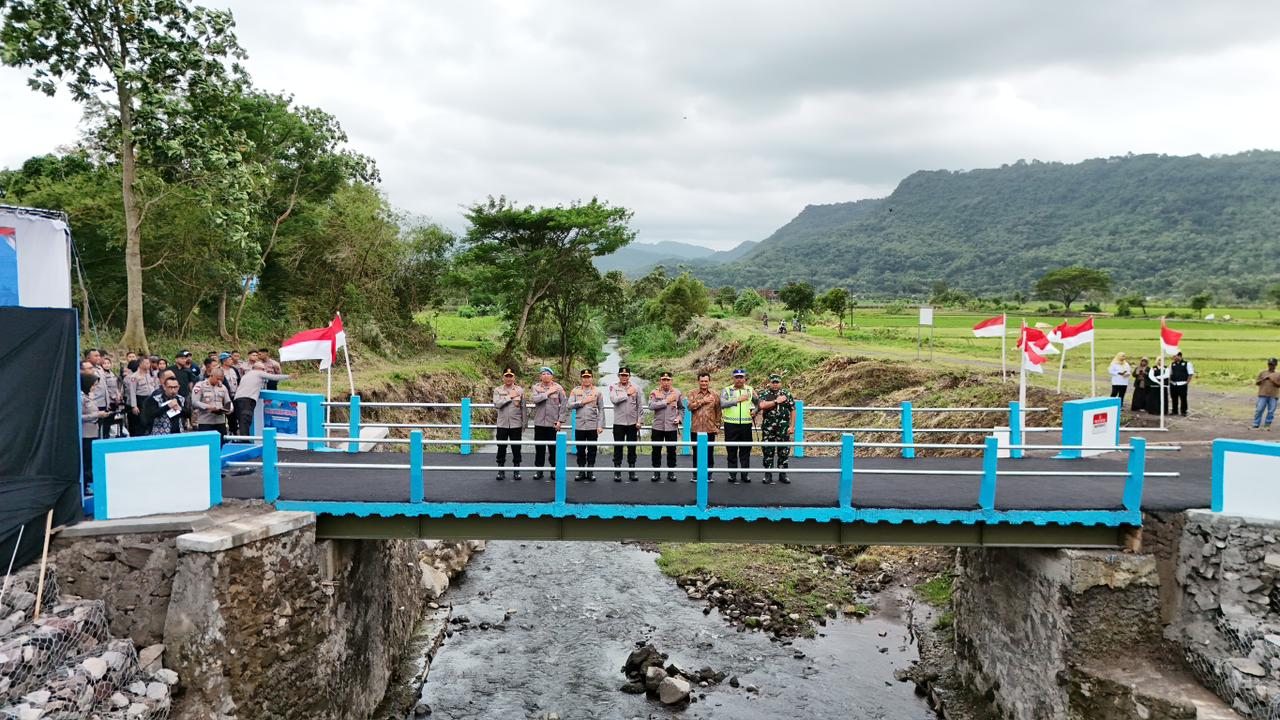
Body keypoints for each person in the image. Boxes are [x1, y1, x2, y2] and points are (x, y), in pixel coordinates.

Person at [564, 370, 604, 481]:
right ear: (581, 378)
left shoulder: (597, 392)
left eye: (588, 377)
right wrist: (583, 402)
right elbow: (569, 405)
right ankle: (581, 470)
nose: (586, 379)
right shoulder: (575, 391)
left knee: (592, 449)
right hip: (579, 425)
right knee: (580, 449)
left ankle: (590, 471)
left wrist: (600, 425)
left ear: (592, 378)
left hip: (592, 425)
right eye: (584, 377)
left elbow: (601, 409)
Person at [755, 374, 795, 484]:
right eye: (773, 382)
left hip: (783, 428)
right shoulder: (765, 394)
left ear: (781, 383)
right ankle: (768, 474)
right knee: (768, 450)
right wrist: (776, 401)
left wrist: (792, 426)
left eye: (777, 382)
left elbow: (793, 409)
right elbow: (762, 406)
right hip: (768, 428)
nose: (775, 384)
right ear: (770, 383)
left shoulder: (786, 394)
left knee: (784, 451)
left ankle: (783, 474)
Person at [233, 362, 291, 437]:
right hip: (247, 399)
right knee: (245, 420)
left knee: (241, 421)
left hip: (237, 399)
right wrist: (288, 376)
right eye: (263, 369)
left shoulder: (246, 375)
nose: (265, 371)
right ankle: (244, 440)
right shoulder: (258, 373)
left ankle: (242, 438)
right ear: (258, 369)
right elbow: (273, 377)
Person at [529, 367, 566, 481]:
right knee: (539, 448)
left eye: (548, 374)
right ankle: (539, 470)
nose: (545, 376)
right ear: (540, 376)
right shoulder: (536, 387)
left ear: (552, 376)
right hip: (539, 423)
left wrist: (560, 420)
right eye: (543, 374)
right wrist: (548, 393)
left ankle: (554, 470)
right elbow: (534, 399)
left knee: (553, 449)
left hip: (553, 423)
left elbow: (564, 405)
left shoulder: (558, 388)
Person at [720, 369, 756, 483]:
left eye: (741, 377)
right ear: (733, 378)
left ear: (745, 378)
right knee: (731, 450)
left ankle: (745, 474)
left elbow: (759, 403)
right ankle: (732, 475)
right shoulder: (727, 390)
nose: (739, 379)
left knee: (745, 450)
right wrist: (737, 400)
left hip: (746, 425)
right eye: (737, 377)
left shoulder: (750, 390)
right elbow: (722, 404)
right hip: (730, 425)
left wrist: (755, 411)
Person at [648, 371, 684, 482]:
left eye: (668, 380)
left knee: (671, 450)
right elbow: (651, 406)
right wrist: (666, 401)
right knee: (656, 450)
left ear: (671, 381)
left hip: (671, 427)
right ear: (660, 381)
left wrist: (679, 418)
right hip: (657, 427)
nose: (666, 382)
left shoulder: (677, 393)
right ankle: (656, 472)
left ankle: (671, 472)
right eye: (663, 380)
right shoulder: (654, 392)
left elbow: (682, 409)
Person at [608, 367, 643, 481]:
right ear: (618, 376)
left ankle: (632, 471)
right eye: (622, 375)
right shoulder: (614, 387)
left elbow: (639, 406)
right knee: (618, 447)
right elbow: (614, 400)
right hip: (619, 423)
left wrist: (639, 421)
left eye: (626, 375)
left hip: (632, 423)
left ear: (629, 376)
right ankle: (617, 471)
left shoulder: (636, 388)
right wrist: (627, 394)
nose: (624, 377)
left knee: (632, 447)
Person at [686, 372, 721, 480]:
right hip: (696, 429)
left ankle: (708, 475)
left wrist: (717, 425)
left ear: (709, 381)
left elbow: (718, 411)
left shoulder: (715, 394)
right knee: (696, 452)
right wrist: (703, 401)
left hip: (710, 429)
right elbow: (689, 407)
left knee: (709, 452)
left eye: (706, 381)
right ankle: (696, 474)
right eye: (702, 381)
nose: (704, 383)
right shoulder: (692, 393)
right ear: (698, 381)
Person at [492, 368, 525, 481]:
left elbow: (523, 408)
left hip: (516, 424)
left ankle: (517, 470)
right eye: (506, 376)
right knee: (501, 447)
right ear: (503, 377)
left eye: (511, 376)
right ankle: (501, 470)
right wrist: (509, 396)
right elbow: (497, 404)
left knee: (516, 448)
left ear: (514, 378)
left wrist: (524, 423)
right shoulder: (498, 390)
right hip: (502, 424)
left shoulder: (520, 390)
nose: (508, 378)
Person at [80, 374, 108, 495]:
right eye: (93, 385)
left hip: (93, 431)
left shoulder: (89, 396)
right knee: (86, 461)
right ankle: (84, 486)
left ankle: (87, 483)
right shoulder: (81, 398)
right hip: (85, 433)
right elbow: (80, 416)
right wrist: (97, 415)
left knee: (90, 460)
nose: (94, 388)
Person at [191, 368, 233, 441]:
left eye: (221, 379)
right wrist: (209, 407)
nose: (219, 381)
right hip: (206, 421)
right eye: (217, 379)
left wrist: (229, 409)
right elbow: (194, 402)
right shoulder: (200, 385)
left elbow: (228, 402)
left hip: (220, 421)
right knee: (207, 443)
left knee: (221, 443)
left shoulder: (223, 387)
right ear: (211, 375)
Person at [124, 357, 159, 437]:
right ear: (140, 364)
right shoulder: (134, 376)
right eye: (146, 363)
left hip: (151, 399)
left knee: (151, 419)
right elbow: (132, 392)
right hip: (140, 399)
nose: (148, 365)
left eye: (149, 363)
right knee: (141, 422)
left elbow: (155, 386)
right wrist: (134, 406)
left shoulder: (150, 375)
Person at [1253, 358, 1280, 430]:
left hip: (1273, 395)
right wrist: (1263, 379)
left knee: (1271, 411)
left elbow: (1278, 385)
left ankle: (1267, 425)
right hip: (1263, 394)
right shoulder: (1263, 373)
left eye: (1272, 364)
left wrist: (1271, 379)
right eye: (1269, 364)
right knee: (1259, 410)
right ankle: (1256, 424)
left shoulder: (1278, 374)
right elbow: (1257, 383)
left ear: (1276, 365)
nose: (1270, 366)